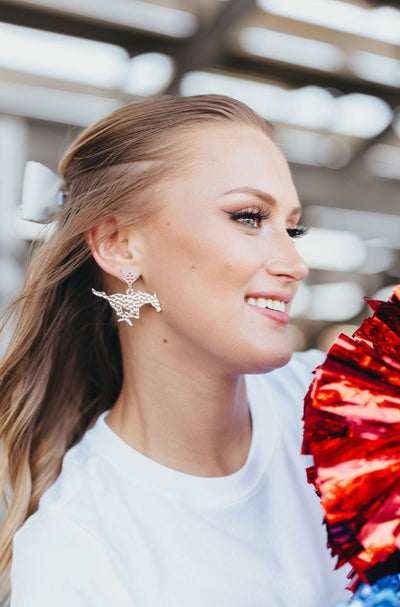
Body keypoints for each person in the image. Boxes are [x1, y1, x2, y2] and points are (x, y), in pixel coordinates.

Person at [0, 94, 350, 606]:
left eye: (291, 228)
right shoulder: (78, 559)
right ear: (119, 244)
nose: (295, 263)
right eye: (249, 217)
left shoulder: (353, 401)